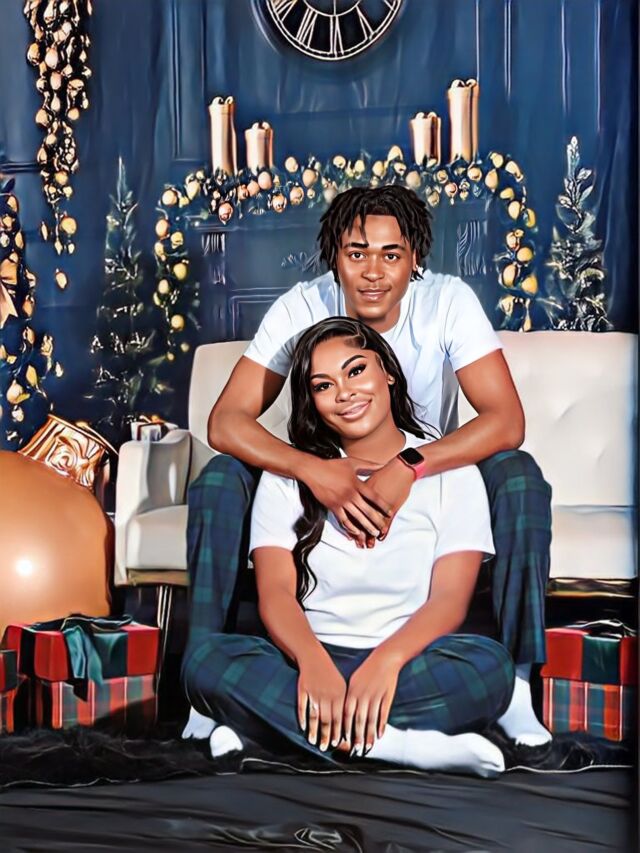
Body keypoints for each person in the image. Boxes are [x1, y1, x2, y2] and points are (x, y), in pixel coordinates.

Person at [182, 185, 552, 752]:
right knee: (217, 480)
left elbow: (506, 420)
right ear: (335, 258)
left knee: (519, 476)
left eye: (390, 254)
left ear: (414, 259)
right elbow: (225, 423)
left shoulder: (447, 302)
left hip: (428, 470)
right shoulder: (302, 307)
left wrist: (410, 465)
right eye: (356, 254)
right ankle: (221, 707)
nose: (373, 272)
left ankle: (518, 687)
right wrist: (312, 469)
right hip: (321, 468)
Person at [183, 318, 515, 776]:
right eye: (323, 385)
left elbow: (449, 601)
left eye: (356, 370)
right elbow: (276, 593)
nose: (344, 393)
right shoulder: (289, 475)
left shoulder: (454, 472)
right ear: (312, 401)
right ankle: (398, 745)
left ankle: (267, 732)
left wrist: (386, 663)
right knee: (205, 663)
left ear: (389, 373)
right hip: (306, 658)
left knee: (491, 669)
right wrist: (312, 663)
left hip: (406, 661)